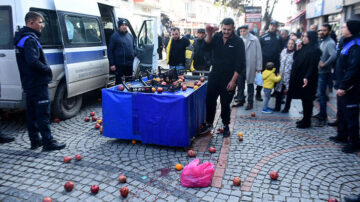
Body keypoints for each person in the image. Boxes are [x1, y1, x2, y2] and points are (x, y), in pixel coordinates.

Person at [14, 11, 66, 151]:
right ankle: (48, 142)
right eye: (40, 22)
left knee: (31, 113)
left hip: (28, 82)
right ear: (31, 23)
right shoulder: (30, 39)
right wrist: (47, 70)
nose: (42, 25)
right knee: (42, 113)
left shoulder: (21, 38)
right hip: (37, 82)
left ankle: (35, 141)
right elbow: (33, 62)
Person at [199, 18, 246, 137]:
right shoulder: (217, 37)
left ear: (233, 28)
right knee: (210, 100)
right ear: (221, 27)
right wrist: (209, 33)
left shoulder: (238, 41)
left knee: (225, 103)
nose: (226, 31)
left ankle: (226, 125)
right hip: (214, 74)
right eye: (224, 29)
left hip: (229, 77)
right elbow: (205, 47)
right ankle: (209, 123)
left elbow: (240, 63)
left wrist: (233, 81)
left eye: (229, 29)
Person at [329, 19, 360, 153]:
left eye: (344, 27)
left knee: (351, 115)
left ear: (350, 30)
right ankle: (342, 135)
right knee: (341, 112)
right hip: (342, 85)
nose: (341, 29)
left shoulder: (356, 44)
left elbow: (353, 68)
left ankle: (354, 142)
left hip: (351, 88)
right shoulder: (346, 43)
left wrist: (344, 86)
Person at [287, 31, 322, 128]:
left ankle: (307, 121)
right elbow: (295, 58)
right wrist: (297, 50)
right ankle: (304, 118)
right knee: (303, 99)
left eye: (306, 37)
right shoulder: (303, 47)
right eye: (303, 36)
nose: (304, 38)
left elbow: (312, 66)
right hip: (301, 77)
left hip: (308, 79)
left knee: (307, 100)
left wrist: (307, 77)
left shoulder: (315, 50)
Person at [233, 25, 262, 110]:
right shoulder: (238, 40)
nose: (242, 33)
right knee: (240, 83)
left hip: (250, 65)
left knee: (250, 84)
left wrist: (259, 66)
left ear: (248, 30)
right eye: (241, 31)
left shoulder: (255, 39)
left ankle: (250, 102)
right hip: (240, 65)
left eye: (244, 31)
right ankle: (240, 99)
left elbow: (259, 54)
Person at [313, 24, 337, 126]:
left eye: (324, 30)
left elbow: (334, 55)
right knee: (320, 94)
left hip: (324, 73)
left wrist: (325, 64)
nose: (322, 32)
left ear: (329, 31)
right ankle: (321, 113)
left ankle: (323, 116)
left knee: (322, 95)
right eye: (321, 30)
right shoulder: (324, 41)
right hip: (320, 72)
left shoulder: (330, 43)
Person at [257, 20, 283, 101]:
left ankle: (275, 92)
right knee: (262, 77)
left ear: (276, 27)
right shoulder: (263, 37)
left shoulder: (279, 37)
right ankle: (258, 93)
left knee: (275, 76)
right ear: (269, 26)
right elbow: (259, 50)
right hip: (265, 61)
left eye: (274, 25)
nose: (272, 27)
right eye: (271, 25)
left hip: (275, 61)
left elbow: (282, 48)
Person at [108, 19, 135, 85]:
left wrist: (134, 54)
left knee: (130, 82)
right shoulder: (114, 36)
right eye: (122, 25)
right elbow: (110, 51)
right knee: (119, 83)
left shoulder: (130, 36)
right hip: (119, 65)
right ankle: (119, 95)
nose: (124, 26)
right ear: (119, 26)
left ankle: (129, 94)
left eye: (125, 25)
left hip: (129, 64)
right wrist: (112, 64)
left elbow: (134, 47)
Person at [274, 39, 296, 112]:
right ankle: (277, 107)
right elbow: (280, 60)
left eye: (292, 44)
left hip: (289, 76)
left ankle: (286, 108)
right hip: (281, 74)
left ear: (294, 45)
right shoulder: (283, 51)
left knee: (288, 93)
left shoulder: (295, 53)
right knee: (278, 91)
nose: (290, 45)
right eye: (289, 43)